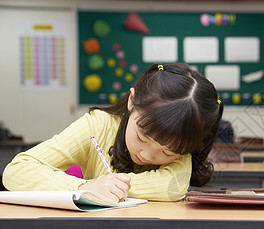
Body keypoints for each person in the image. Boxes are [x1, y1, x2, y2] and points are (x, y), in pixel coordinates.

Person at [2, 63, 223, 202]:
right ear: (132, 100)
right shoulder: (98, 126)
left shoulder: (181, 143)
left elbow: (171, 187)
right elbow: (16, 171)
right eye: (142, 137)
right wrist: (85, 187)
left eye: (167, 153)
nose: (147, 155)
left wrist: (109, 187)